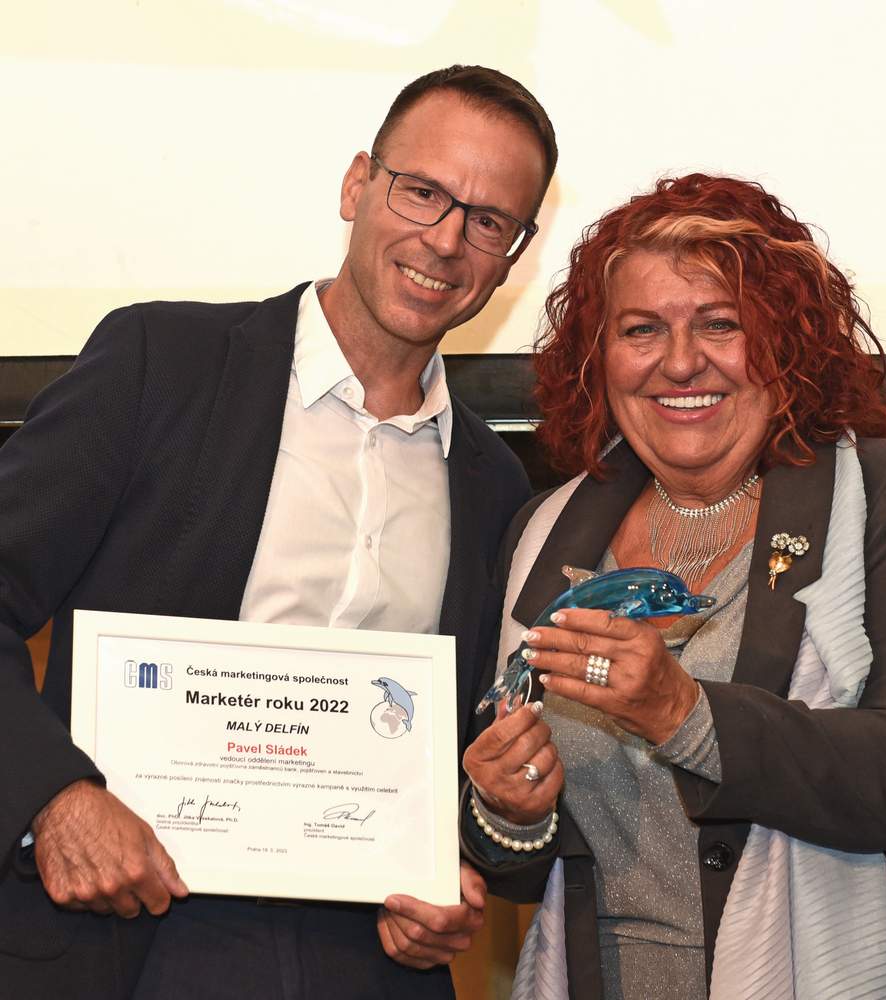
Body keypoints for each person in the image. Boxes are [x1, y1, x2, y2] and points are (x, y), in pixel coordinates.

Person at [0, 65, 556, 999]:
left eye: (488, 220)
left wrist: (456, 873)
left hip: (366, 967)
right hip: (121, 946)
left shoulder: (497, 486)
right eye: (422, 191)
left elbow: (467, 770)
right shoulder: (160, 365)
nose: (446, 239)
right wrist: (51, 797)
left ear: (513, 256)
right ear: (356, 185)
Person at [462, 174, 886, 1000]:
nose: (680, 361)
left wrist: (685, 714)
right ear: (598, 359)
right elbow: (518, 873)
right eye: (641, 329)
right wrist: (508, 812)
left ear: (787, 341)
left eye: (721, 324)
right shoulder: (544, 535)